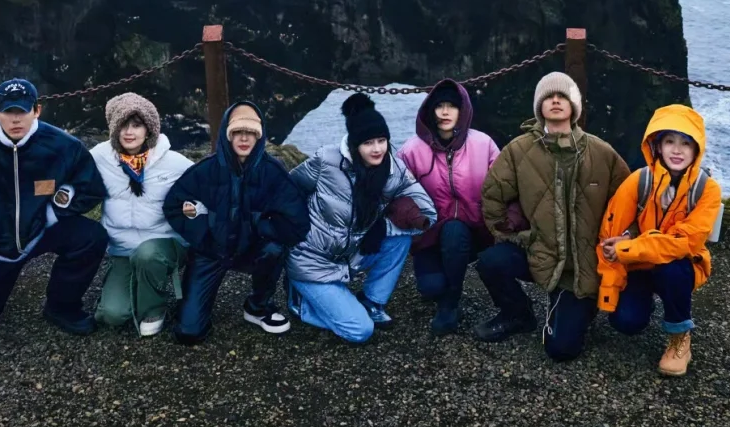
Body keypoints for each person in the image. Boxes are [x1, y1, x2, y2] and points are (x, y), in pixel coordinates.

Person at [0, 78, 109, 339]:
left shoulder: (64, 146)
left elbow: (90, 188)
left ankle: (61, 306)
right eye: (8, 111)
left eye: (22, 111)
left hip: (42, 229)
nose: (16, 119)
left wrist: (53, 211)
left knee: (92, 237)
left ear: (36, 110)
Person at [473, 71, 630, 361]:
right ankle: (517, 314)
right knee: (491, 262)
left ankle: (580, 305)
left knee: (561, 350)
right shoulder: (518, 150)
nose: (555, 101)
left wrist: (622, 238)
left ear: (574, 107)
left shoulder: (601, 152)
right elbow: (493, 196)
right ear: (539, 107)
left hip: (582, 268)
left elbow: (629, 198)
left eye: (562, 96)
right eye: (548, 97)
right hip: (539, 254)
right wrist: (516, 237)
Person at [288, 93, 437, 343]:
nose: (377, 148)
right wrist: (295, 227)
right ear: (355, 145)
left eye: (382, 140)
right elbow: (289, 187)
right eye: (368, 143)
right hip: (312, 261)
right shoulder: (327, 161)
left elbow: (428, 213)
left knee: (398, 240)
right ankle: (300, 302)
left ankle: (371, 302)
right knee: (360, 331)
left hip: (350, 254)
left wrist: (384, 225)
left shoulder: (394, 171)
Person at [163, 101, 309, 344]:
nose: (244, 139)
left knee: (273, 249)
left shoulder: (273, 171)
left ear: (259, 137)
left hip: (251, 248)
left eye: (251, 133)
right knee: (188, 332)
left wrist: (259, 227)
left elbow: (297, 221)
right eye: (238, 132)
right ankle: (192, 303)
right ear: (227, 135)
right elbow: (174, 206)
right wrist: (204, 233)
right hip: (211, 250)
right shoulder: (207, 169)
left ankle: (258, 306)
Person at [596, 104, 722, 377]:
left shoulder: (707, 190)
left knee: (672, 268)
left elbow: (684, 243)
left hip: (679, 267)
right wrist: (609, 290)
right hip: (640, 267)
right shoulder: (638, 181)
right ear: (657, 146)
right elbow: (608, 240)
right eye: (669, 141)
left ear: (697, 149)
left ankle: (680, 338)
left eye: (686, 143)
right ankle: (646, 300)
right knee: (625, 323)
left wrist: (630, 245)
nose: (677, 150)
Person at [397, 78, 500, 334]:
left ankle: (450, 303)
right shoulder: (412, 150)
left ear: (462, 110)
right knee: (430, 287)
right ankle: (443, 282)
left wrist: (502, 223)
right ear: (429, 110)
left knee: (455, 230)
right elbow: (395, 194)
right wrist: (415, 218)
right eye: (439, 106)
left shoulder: (483, 144)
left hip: (474, 232)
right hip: (430, 234)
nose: (445, 112)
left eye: (452, 106)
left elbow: (503, 186)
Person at [88, 92, 194, 337]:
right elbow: (70, 174)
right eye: (122, 125)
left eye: (136, 125)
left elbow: (205, 191)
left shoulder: (174, 162)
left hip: (163, 245)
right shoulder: (99, 157)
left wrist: (194, 208)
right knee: (112, 316)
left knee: (148, 256)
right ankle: (123, 286)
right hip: (122, 249)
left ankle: (154, 308)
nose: (129, 132)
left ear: (149, 130)